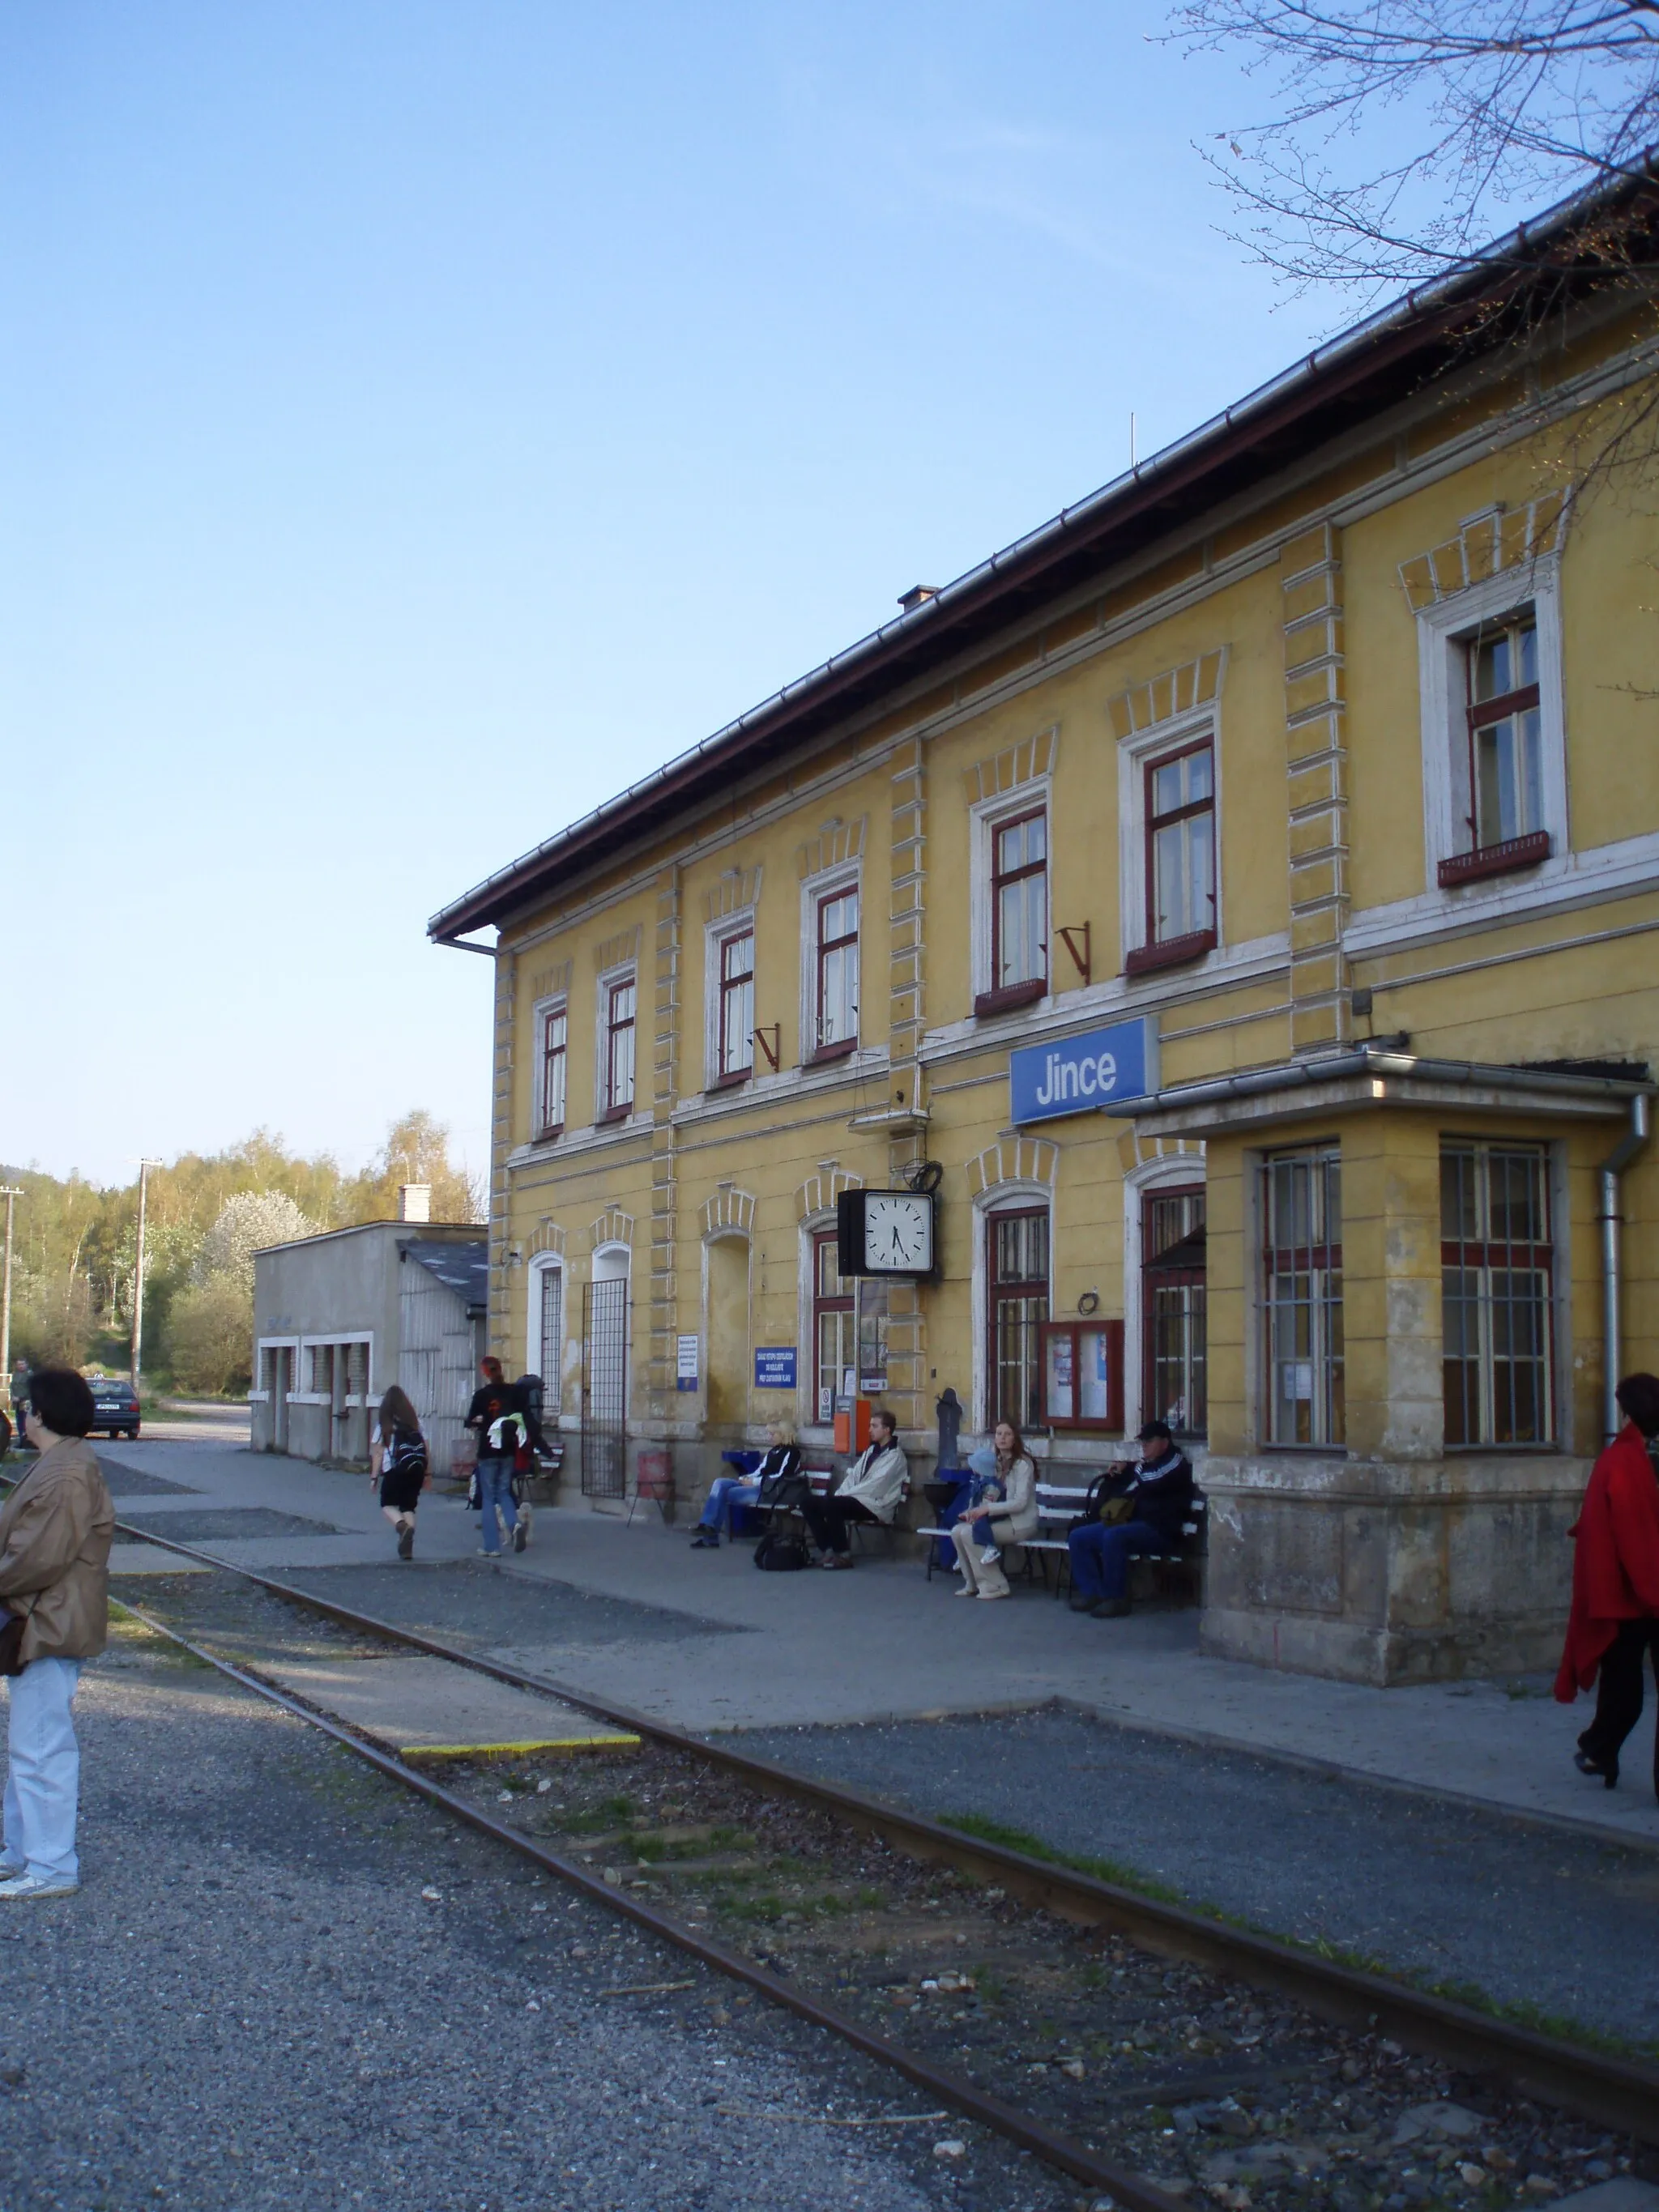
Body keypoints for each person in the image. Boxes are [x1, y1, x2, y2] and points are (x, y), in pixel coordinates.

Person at [0, 1366, 115, 1899]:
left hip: (50, 1620)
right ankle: (20, 1852)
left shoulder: (66, 1472)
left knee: (41, 1745)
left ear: (42, 1413)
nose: (23, 1412)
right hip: (43, 1618)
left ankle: (50, 1866)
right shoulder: (61, 1463)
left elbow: (38, 1555)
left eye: (27, 1405)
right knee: (31, 1742)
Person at [1555, 1371, 1659, 1798]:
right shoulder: (1626, 1461)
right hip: (1639, 1592)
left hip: (1629, 1594)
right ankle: (1600, 1750)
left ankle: (1599, 1751)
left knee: (1624, 1688)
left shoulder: (1620, 1459)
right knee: (1624, 1689)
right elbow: (1633, 1537)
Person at [1067, 1420, 1195, 1618]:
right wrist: (1124, 1468)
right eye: (1142, 1442)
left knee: (1114, 1537)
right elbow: (1141, 1474)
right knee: (1079, 1537)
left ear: (1164, 1442)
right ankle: (1092, 1593)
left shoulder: (1175, 1462)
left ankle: (1116, 1599)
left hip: (1161, 1530)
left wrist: (1132, 1467)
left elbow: (1152, 1479)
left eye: (1149, 1441)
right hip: (1134, 1524)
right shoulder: (1146, 1465)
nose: (1144, 1446)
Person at [802, 1408, 907, 1568]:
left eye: (874, 1426)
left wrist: (844, 1497)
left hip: (876, 1505)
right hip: (857, 1499)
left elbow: (876, 1486)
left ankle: (843, 1554)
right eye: (870, 1425)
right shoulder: (871, 1450)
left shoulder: (895, 1456)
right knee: (808, 1502)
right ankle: (828, 1550)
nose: (869, 1430)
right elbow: (853, 1476)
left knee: (833, 1504)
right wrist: (841, 1494)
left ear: (887, 1430)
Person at [950, 1421, 1038, 1600]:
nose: (1002, 1438)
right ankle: (972, 1583)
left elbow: (1020, 1503)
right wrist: (972, 1512)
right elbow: (986, 1492)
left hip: (1019, 1522)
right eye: (998, 1434)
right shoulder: (993, 1462)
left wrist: (986, 1509)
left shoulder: (1023, 1465)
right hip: (997, 1519)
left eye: (1007, 1434)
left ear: (1015, 1439)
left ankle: (996, 1585)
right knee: (957, 1531)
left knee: (970, 1534)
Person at [690, 1421, 802, 1549]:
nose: (769, 1438)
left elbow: (783, 1477)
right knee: (720, 1483)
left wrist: (754, 1482)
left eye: (773, 1434)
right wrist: (745, 1479)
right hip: (757, 1485)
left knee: (725, 1494)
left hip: (769, 1491)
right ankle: (706, 1525)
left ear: (783, 1434)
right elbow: (759, 1471)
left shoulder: (792, 1453)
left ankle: (709, 1537)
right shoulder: (773, 1452)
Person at [463, 1357, 524, 1558]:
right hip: (508, 1449)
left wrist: (480, 1422)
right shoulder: (514, 1392)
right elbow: (519, 1418)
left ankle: (491, 1546)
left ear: (485, 1373)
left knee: (489, 1497)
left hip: (488, 1450)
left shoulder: (481, 1395)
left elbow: (470, 1421)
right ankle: (514, 1524)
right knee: (504, 1491)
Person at [369, 1383, 429, 1562]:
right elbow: (426, 1448)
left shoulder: (384, 1426)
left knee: (387, 1505)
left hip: (394, 1469)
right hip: (416, 1469)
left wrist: (374, 1477)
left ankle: (402, 1528)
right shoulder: (416, 1423)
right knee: (408, 1507)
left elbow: (378, 1453)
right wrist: (428, 1474)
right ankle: (407, 1549)